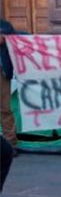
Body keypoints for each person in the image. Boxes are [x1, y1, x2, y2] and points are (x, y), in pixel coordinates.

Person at [0, 20, 18, 156]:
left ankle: (10, 144)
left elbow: (14, 36)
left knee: (5, 109)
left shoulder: (4, 25)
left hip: (2, 73)